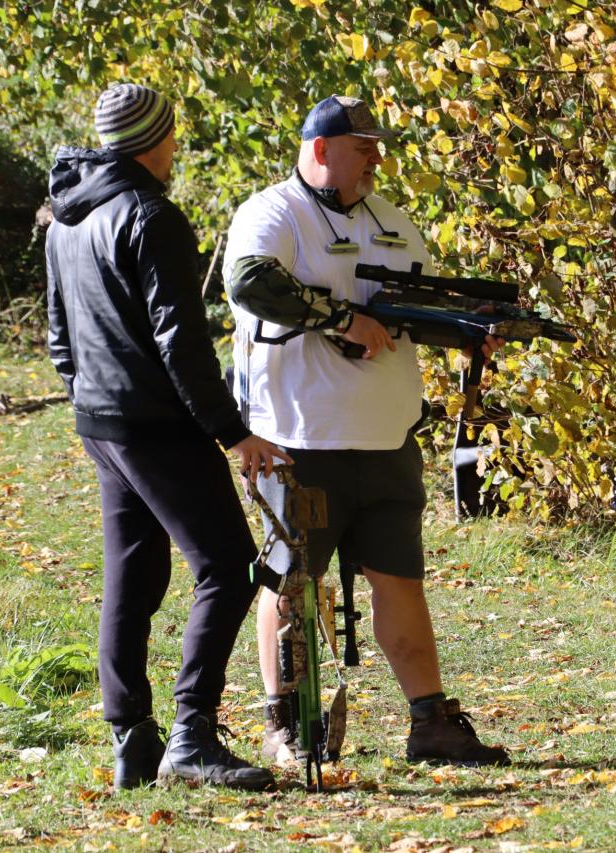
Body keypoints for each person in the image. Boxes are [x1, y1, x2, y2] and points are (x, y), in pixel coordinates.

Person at [224, 94, 509, 767]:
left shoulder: (391, 220)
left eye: (377, 148)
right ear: (321, 148)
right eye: (363, 147)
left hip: (387, 436)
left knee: (400, 579)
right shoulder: (273, 212)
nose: (375, 159)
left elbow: (410, 310)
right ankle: (286, 723)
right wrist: (341, 319)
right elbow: (251, 284)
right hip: (299, 437)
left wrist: (469, 330)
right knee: (292, 582)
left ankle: (431, 721)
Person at [46, 82, 290, 792]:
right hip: (156, 423)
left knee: (133, 576)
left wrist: (91, 400)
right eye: (173, 133)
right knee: (231, 566)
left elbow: (60, 337)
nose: (177, 145)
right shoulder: (151, 215)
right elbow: (181, 341)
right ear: (155, 139)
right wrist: (232, 433)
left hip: (103, 422)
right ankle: (192, 733)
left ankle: (132, 737)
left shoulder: (65, 218)